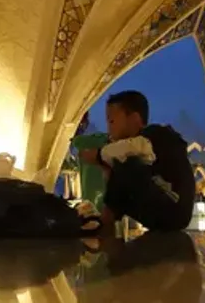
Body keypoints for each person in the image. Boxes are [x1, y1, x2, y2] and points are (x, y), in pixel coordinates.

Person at [79, 90, 196, 232]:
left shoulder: (156, 135)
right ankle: (105, 220)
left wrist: (98, 155)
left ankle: (104, 220)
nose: (109, 128)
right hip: (162, 215)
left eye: (112, 121)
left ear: (134, 118)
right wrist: (107, 168)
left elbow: (132, 147)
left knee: (126, 163)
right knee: (123, 164)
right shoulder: (133, 150)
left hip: (174, 208)